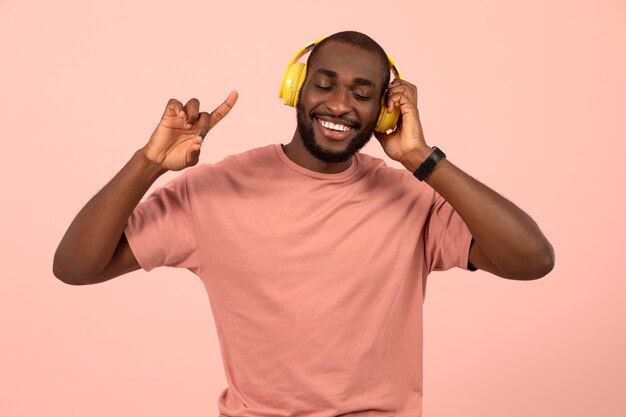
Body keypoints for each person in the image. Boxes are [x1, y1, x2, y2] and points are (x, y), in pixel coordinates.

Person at [53, 31, 554, 417]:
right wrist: (149, 163)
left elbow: (532, 259)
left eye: (362, 93)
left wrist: (422, 157)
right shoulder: (212, 191)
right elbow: (76, 267)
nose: (339, 104)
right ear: (295, 88)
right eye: (325, 83)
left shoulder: (412, 198)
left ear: (383, 111)